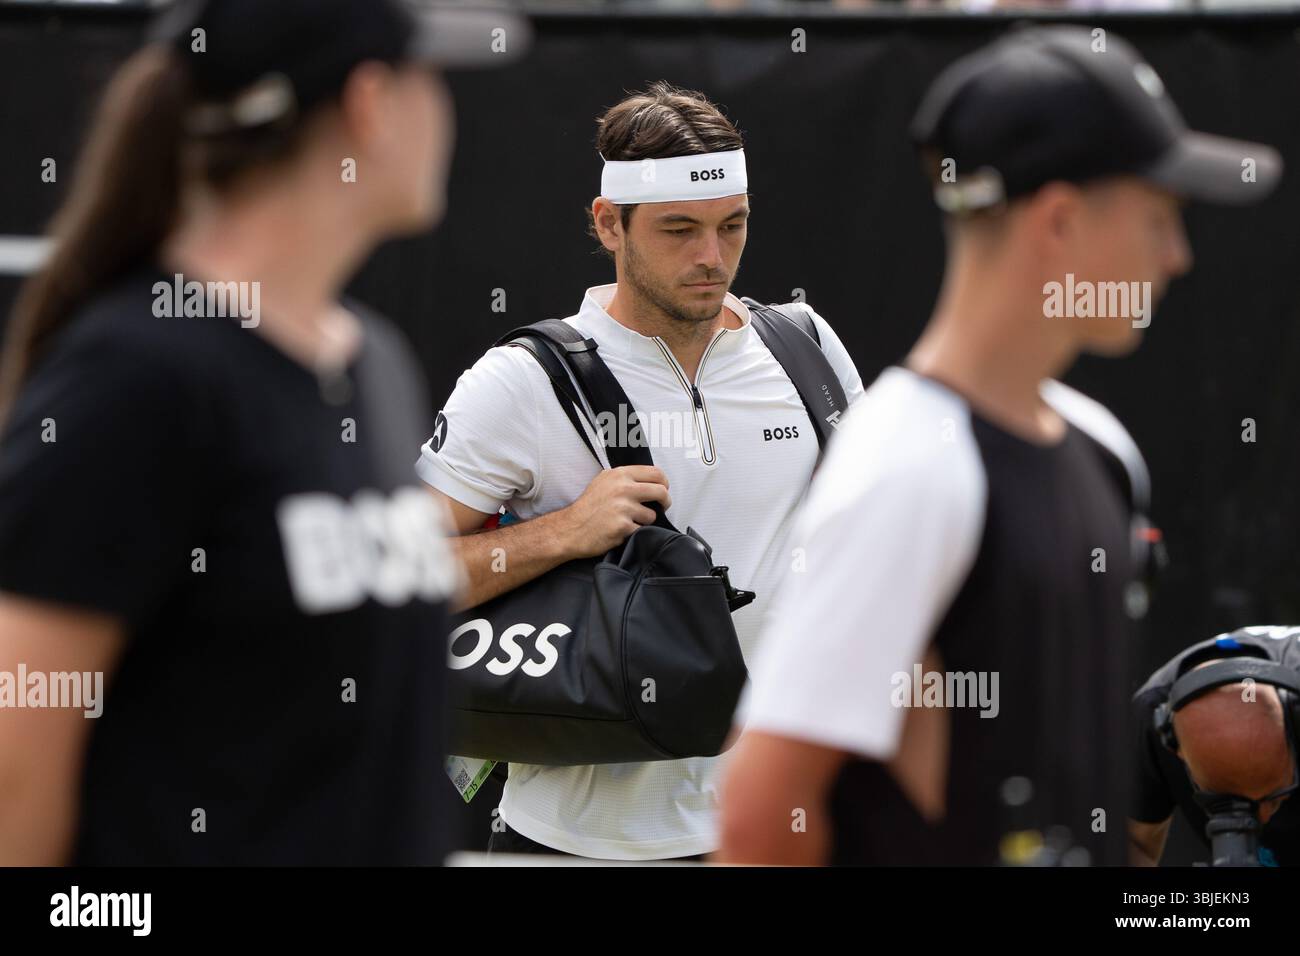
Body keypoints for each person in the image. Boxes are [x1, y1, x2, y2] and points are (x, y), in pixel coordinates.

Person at [718, 25, 1281, 865]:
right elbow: (761, 820)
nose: (1177, 255)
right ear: (1057, 220)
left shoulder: (1101, 449)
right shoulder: (908, 466)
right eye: (1159, 216)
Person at [0, 0, 528, 865]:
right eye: (428, 77)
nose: (445, 110)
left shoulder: (371, 363)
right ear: (368, 102)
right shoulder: (139, 376)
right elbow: (16, 785)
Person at [418, 81, 865, 860]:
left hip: (771, 832)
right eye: (679, 229)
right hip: (571, 842)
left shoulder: (807, 348)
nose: (711, 257)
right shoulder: (519, 380)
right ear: (608, 225)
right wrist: (562, 533)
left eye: (734, 226)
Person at [1130, 626, 1300, 867]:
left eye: (1274, 797)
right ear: (1176, 749)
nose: (1261, 819)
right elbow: (1134, 843)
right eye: (1224, 803)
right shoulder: (1151, 720)